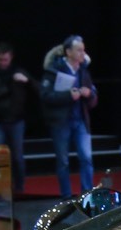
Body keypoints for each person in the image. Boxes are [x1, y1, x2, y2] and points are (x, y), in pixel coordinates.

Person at [40, 35, 98, 197]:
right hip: (61, 122)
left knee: (86, 158)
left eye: (83, 50)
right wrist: (68, 96)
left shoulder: (83, 71)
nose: (82, 53)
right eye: (79, 50)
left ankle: (87, 194)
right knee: (63, 161)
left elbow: (94, 97)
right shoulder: (54, 70)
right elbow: (45, 96)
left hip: (81, 121)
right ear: (68, 52)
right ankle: (66, 196)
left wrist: (89, 94)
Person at [0, 41, 32, 193]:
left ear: (11, 58)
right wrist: (9, 84)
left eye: (5, 60)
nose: (2, 63)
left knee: (17, 157)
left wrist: (26, 81)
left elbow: (35, 88)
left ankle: (20, 187)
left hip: (16, 121)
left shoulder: (19, 71)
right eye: (0, 59)